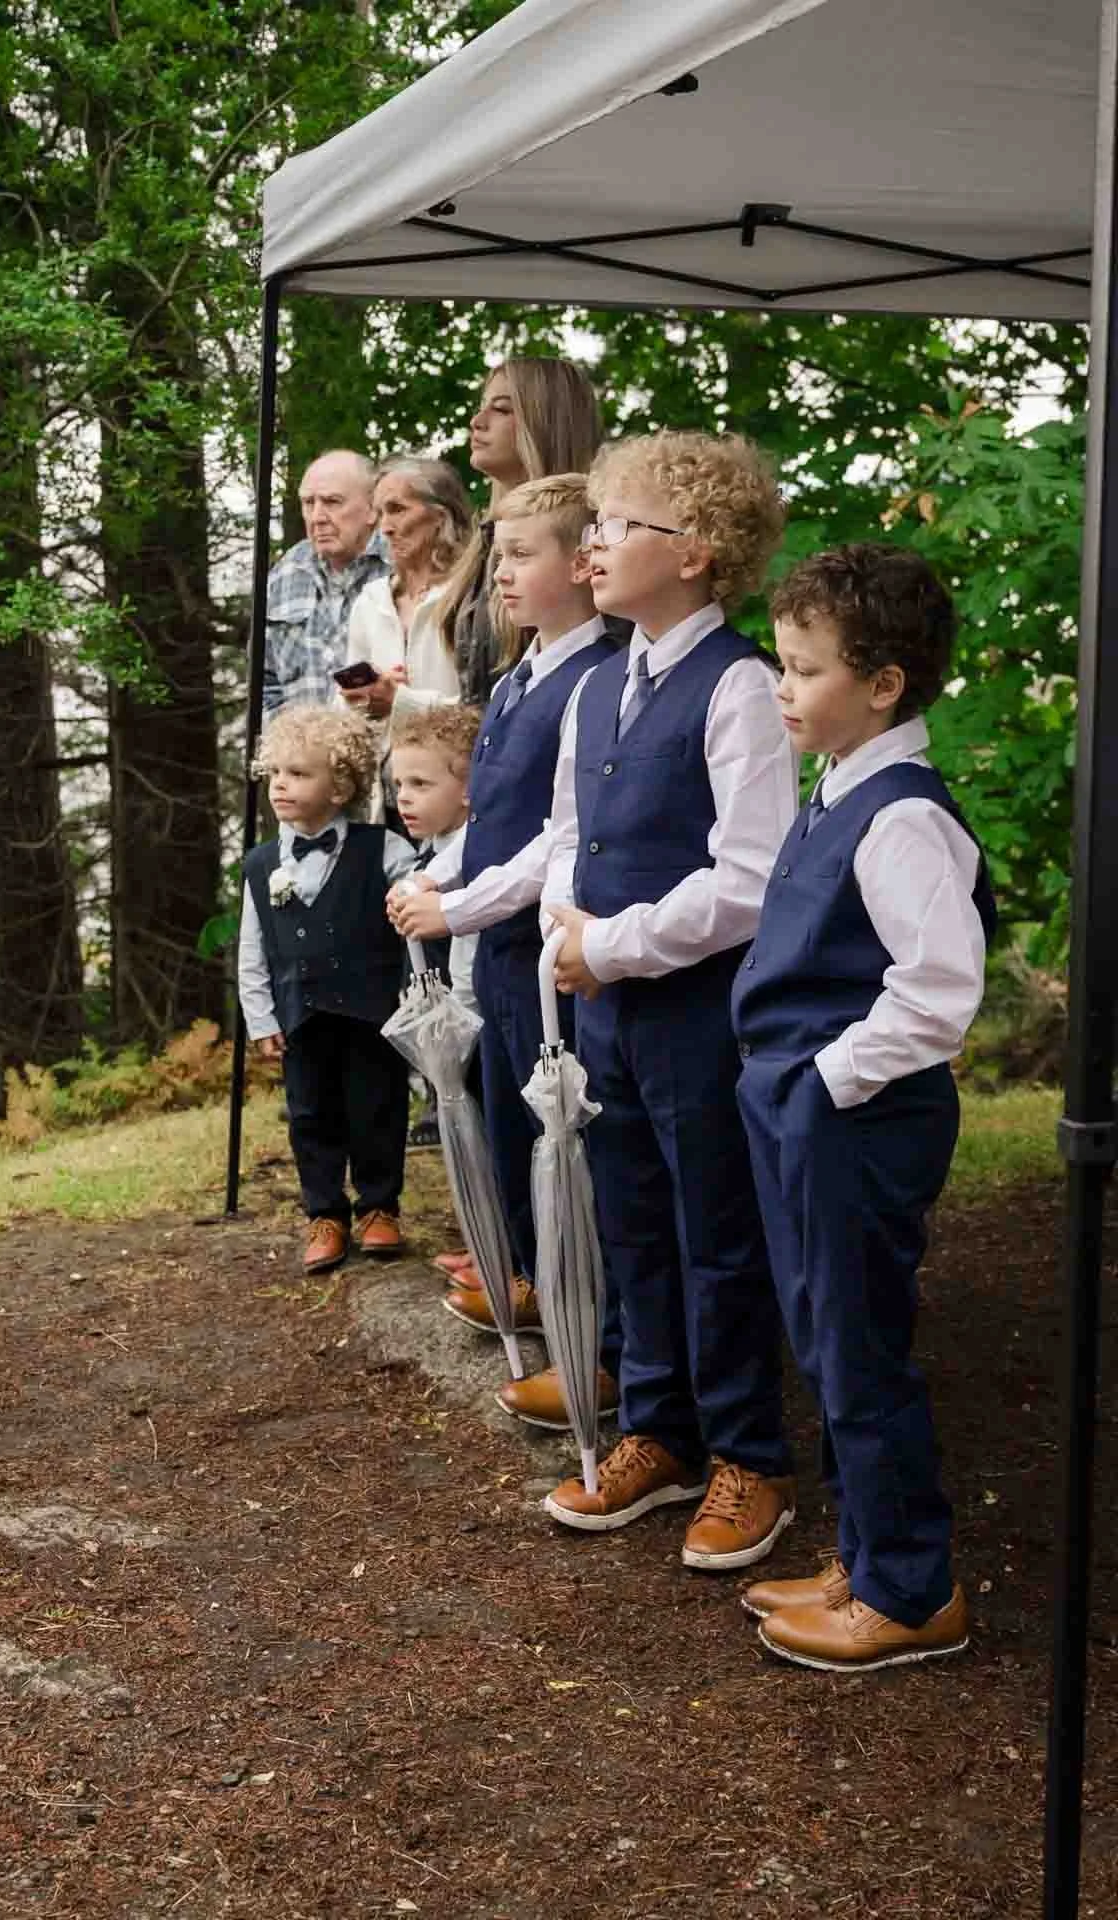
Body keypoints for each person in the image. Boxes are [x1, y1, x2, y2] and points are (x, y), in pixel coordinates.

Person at [733, 544, 995, 1672]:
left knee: (860, 1346)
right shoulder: (835, 786)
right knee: (821, 1336)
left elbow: (937, 992)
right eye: (781, 664)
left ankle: (909, 1591)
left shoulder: (902, 818)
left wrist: (822, 1082)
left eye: (804, 669)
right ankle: (862, 1554)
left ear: (882, 683)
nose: (782, 688)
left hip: (856, 1116)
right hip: (805, 1110)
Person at [540, 432, 798, 1564]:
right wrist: (565, 928)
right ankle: (660, 1429)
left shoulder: (740, 685)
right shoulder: (596, 686)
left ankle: (749, 1454)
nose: (590, 545)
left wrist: (614, 944)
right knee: (632, 1219)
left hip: (698, 1012)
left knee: (716, 1230)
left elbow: (750, 877)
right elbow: (567, 832)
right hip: (603, 1006)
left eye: (614, 526)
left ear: (693, 553)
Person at [392, 475, 626, 1432]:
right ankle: (536, 1282)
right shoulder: (521, 676)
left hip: (546, 947)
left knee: (566, 1150)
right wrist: (443, 882)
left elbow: (556, 838)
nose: (500, 574)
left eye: (523, 554)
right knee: (506, 1130)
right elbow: (493, 820)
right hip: (495, 947)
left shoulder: (596, 677)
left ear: (581, 563)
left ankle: (596, 1347)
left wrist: (461, 905)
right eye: (499, 555)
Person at [237, 706, 416, 1276]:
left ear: (339, 787)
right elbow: (252, 949)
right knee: (310, 1114)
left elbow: (419, 913)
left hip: (372, 1009)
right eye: (274, 773)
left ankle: (380, 1206)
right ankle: (325, 1214)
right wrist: (261, 1019)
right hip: (301, 1014)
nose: (280, 785)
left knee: (377, 1106)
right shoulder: (261, 865)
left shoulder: (383, 849)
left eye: (298, 774)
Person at [435, 359, 605, 708]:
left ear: (546, 423)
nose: (477, 421)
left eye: (501, 409)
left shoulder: (595, 535)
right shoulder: (484, 540)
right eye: (481, 406)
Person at [339, 458, 474, 823]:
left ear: (440, 516)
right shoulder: (371, 601)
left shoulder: (469, 596)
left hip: (458, 800)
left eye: (397, 509)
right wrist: (364, 698)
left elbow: (486, 706)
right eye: (380, 512)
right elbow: (348, 714)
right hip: (384, 804)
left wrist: (400, 702)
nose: (385, 527)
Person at [263, 451, 386, 714]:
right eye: (309, 503)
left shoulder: (401, 567)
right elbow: (263, 683)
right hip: (296, 739)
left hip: (386, 736)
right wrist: (286, 731)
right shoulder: (285, 573)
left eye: (332, 502)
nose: (317, 517)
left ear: (373, 509)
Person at [389, 704, 483, 1016]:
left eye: (419, 783)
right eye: (399, 784)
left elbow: (466, 965)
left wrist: (455, 1025)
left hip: (459, 1019)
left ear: (468, 789)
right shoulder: (428, 849)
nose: (403, 797)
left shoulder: (471, 862)